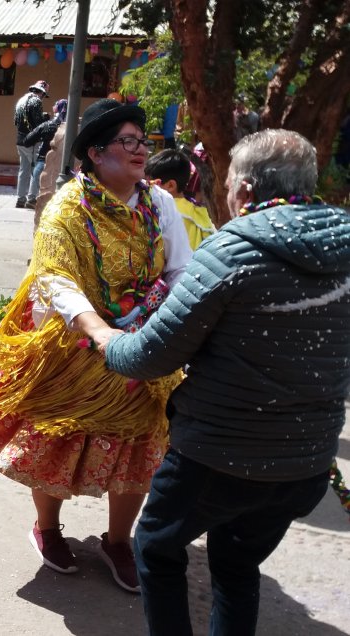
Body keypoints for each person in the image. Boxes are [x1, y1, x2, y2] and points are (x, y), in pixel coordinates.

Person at [105, 129, 349, 635]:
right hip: (305, 465)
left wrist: (103, 337)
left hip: (216, 460)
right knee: (237, 565)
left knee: (156, 548)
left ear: (244, 189)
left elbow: (150, 356)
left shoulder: (233, 251)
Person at [0, 99, 194, 593]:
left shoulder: (159, 204)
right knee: (59, 441)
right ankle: (48, 528)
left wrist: (167, 322)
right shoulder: (66, 207)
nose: (140, 150)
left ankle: (118, 541)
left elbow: (181, 269)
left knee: (140, 446)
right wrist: (99, 331)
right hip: (76, 347)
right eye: (127, 141)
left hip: (144, 346)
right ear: (95, 154)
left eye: (142, 141)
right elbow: (55, 277)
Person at [145, 149, 215, 250]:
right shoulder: (200, 212)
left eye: (151, 184)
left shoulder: (163, 211)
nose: (146, 188)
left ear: (170, 185)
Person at [32, 98, 70, 228]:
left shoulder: (54, 123)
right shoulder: (68, 124)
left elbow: (31, 137)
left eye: (56, 105)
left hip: (47, 159)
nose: (53, 106)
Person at [14, 80, 49, 208]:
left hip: (20, 140)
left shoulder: (21, 100)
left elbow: (16, 121)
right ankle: (32, 199)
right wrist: (46, 118)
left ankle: (20, 199)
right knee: (36, 170)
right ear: (42, 92)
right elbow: (38, 124)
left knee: (23, 170)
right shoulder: (36, 101)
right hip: (32, 141)